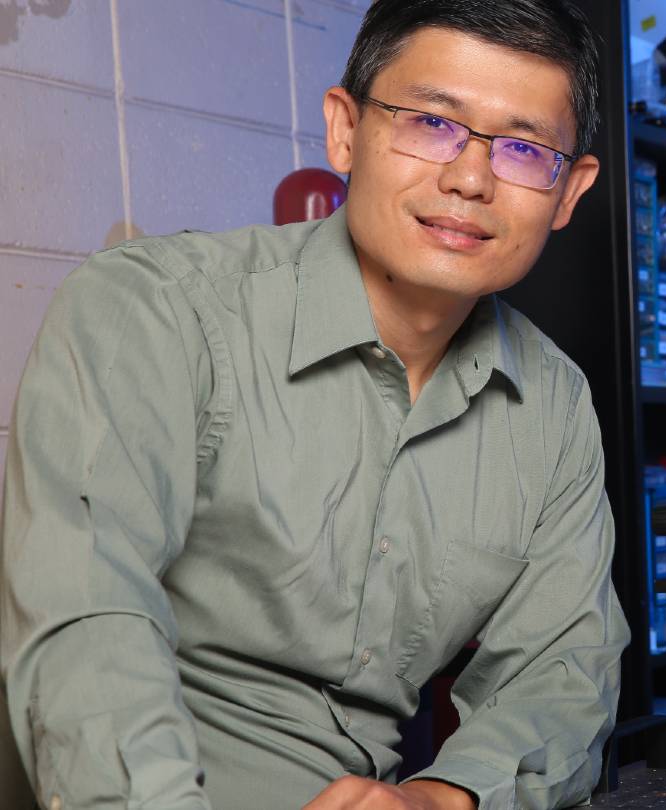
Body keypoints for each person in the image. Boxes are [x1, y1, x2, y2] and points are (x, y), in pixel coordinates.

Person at [0, 1, 628, 807]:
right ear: (344, 130)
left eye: (522, 147)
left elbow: (563, 673)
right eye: (433, 123)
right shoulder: (155, 313)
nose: (470, 178)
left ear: (568, 190)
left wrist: (439, 800)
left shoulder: (551, 405)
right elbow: (86, 626)